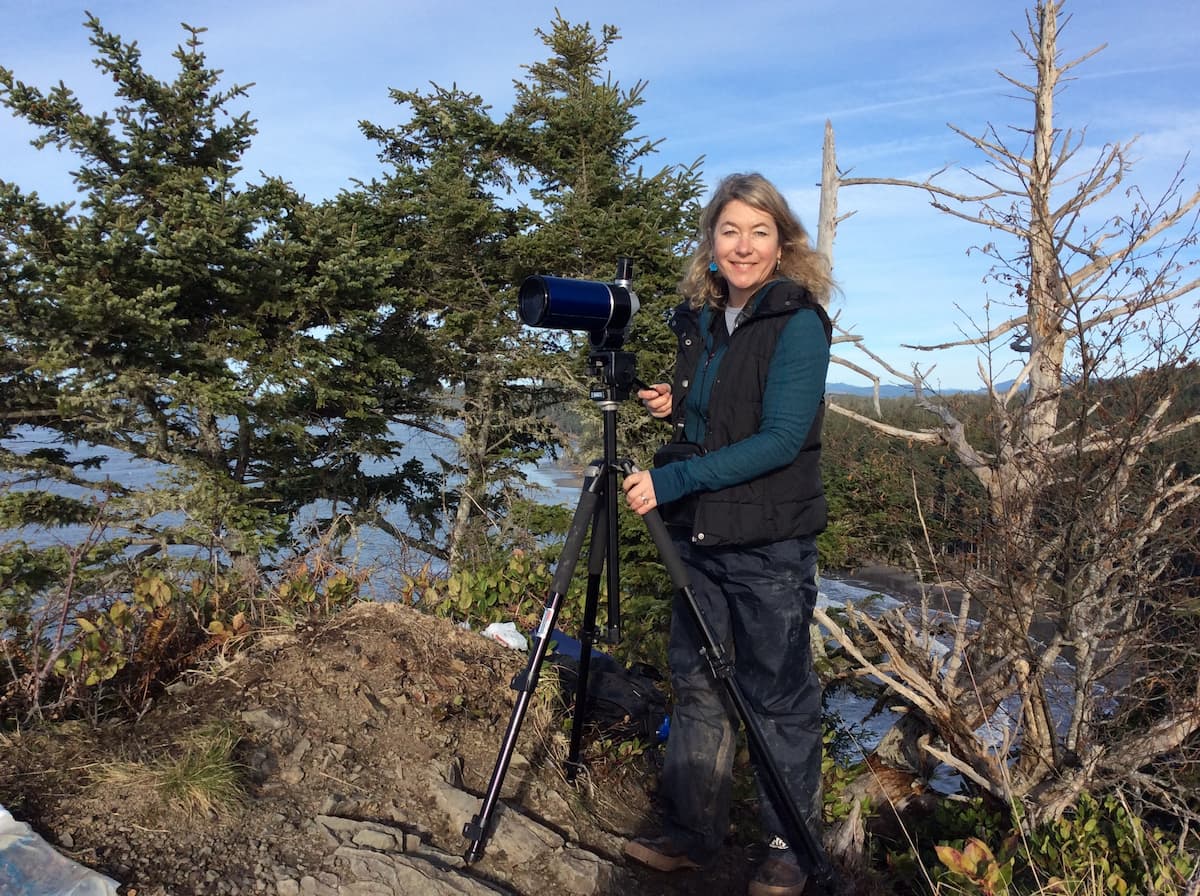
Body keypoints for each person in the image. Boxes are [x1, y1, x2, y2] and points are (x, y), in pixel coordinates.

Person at [620, 172, 834, 896]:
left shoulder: (796, 322)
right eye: (730, 231)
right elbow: (721, 416)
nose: (743, 246)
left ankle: (788, 848)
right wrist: (676, 404)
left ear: (783, 245)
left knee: (777, 699)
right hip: (703, 540)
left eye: (760, 232)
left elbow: (779, 439)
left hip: (768, 543)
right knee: (700, 687)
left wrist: (673, 482)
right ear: (712, 242)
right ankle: (692, 835)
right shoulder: (709, 320)